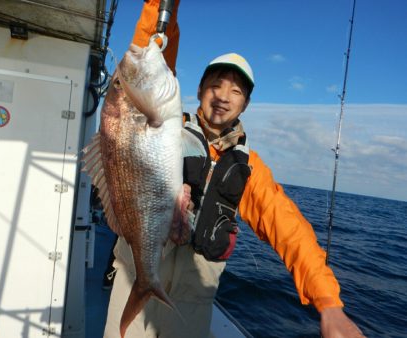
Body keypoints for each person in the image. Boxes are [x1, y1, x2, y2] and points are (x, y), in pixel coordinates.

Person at [104, 1, 366, 337]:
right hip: (131, 281)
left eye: (236, 91)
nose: (223, 97)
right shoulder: (165, 126)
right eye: (215, 85)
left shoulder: (248, 169)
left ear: (246, 104)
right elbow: (149, 56)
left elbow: (290, 231)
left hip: (191, 306)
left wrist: (329, 302)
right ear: (198, 91)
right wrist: (161, 6)